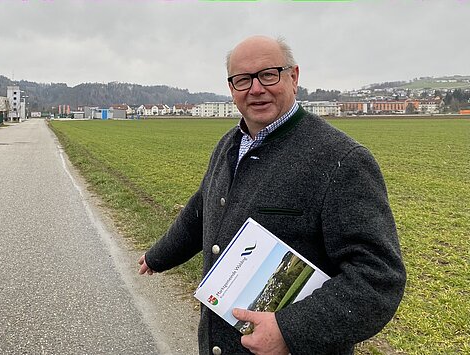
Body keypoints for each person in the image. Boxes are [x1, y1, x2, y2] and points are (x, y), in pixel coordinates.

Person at [138, 35, 406, 355]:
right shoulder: (230, 144)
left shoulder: (341, 159)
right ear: (231, 88)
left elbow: (378, 278)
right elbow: (203, 206)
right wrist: (160, 255)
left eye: (268, 74)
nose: (255, 89)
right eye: (242, 80)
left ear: (294, 77)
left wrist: (290, 330)